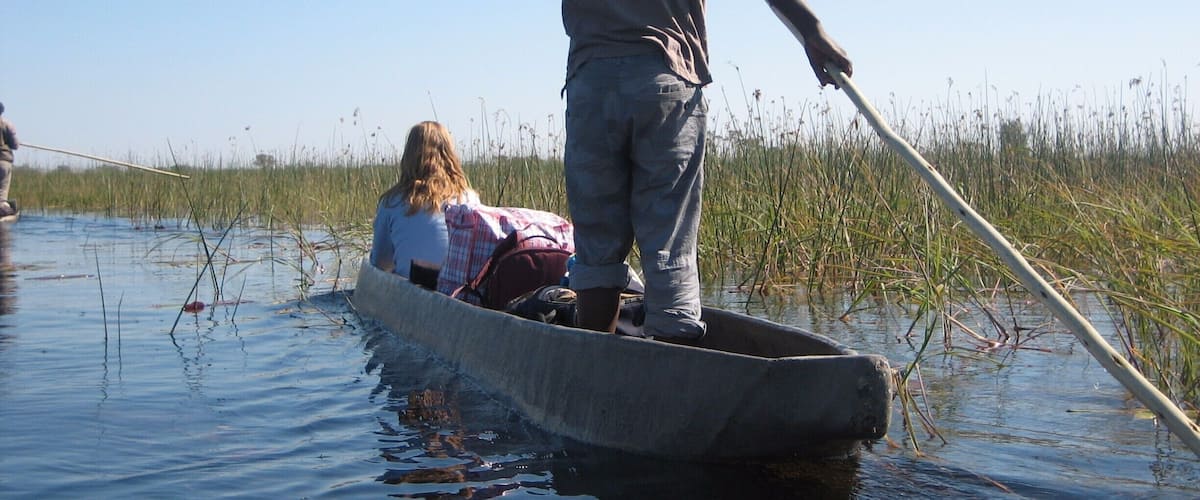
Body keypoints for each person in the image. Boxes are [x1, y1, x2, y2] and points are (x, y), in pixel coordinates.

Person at [561, 0, 851, 340]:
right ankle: (674, 362)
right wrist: (812, 31)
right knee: (670, 240)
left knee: (597, 245)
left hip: (593, 84)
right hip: (668, 78)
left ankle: (593, 360)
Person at [370, 121, 479, 287]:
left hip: (412, 294)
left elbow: (379, 264)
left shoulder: (392, 202)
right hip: (460, 292)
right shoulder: (469, 199)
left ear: (408, 156)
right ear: (449, 155)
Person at [0, 102, 18, 217]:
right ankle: (3, 210)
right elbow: (15, 145)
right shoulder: (6, 125)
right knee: (1, 195)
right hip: (3, 161)